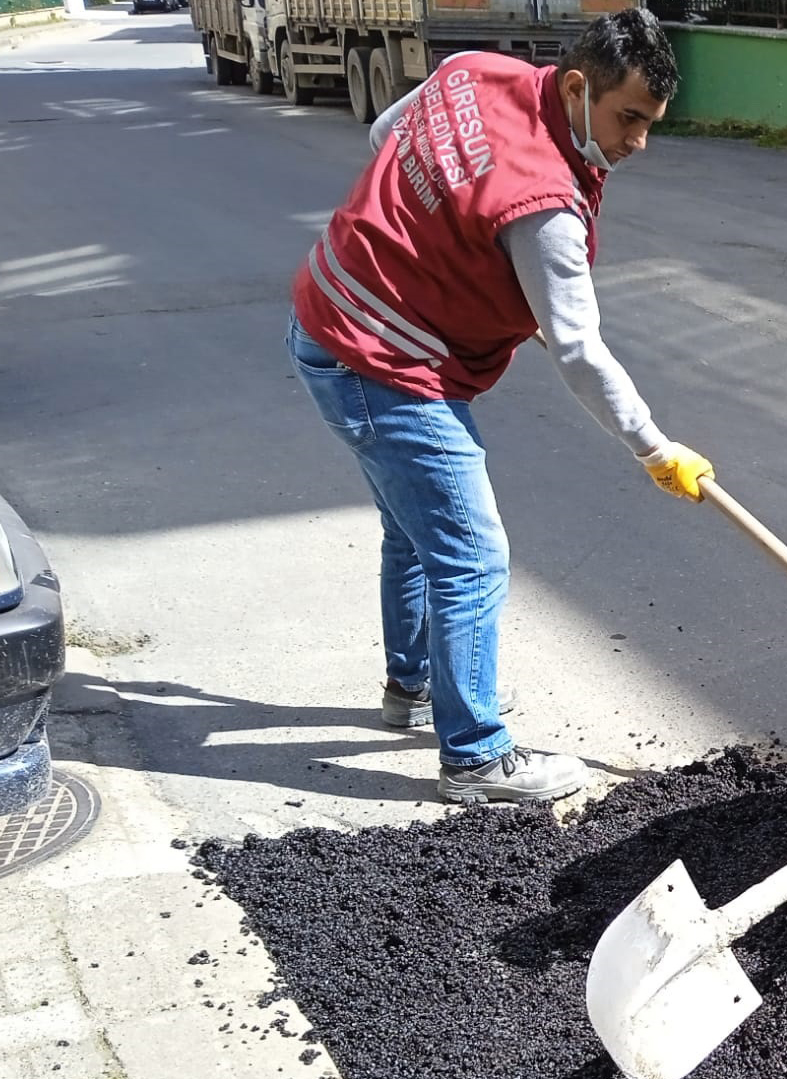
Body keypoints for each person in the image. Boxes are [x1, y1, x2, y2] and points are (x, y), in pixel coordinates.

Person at [286, 9, 712, 805]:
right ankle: (476, 756)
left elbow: (387, 135)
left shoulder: (474, 72)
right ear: (578, 88)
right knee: (471, 556)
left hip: (326, 316)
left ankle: (413, 689)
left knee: (413, 534)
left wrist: (439, 241)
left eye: (652, 125)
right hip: (383, 362)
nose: (637, 144)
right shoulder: (543, 201)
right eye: (628, 119)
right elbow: (579, 349)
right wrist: (657, 450)